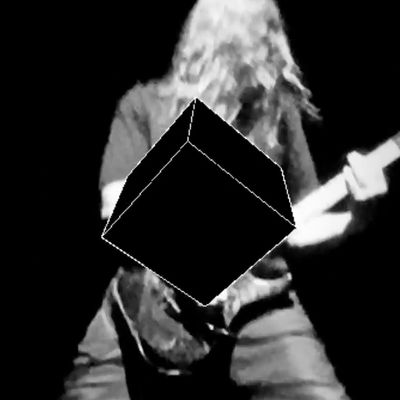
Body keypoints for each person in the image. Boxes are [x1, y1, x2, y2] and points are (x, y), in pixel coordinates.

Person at [61, 1, 388, 399]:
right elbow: (114, 205)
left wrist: (358, 216)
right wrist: (197, 256)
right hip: (148, 305)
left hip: (255, 306)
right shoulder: (145, 104)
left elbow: (297, 227)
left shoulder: (276, 113)